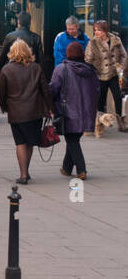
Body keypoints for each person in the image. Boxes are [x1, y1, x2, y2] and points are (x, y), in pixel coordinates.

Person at [0, 40, 53, 184]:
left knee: (20, 142)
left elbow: (0, 92)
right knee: (30, 142)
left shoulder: (6, 70)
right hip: (34, 111)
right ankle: (26, 172)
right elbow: (45, 89)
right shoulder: (36, 68)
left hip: (16, 112)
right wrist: (50, 108)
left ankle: (22, 175)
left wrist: (5, 107)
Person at [50, 41, 100, 180]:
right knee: (73, 138)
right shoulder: (90, 71)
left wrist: (51, 104)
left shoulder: (61, 69)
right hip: (86, 111)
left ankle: (81, 169)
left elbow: (53, 89)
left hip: (68, 111)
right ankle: (66, 168)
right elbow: (97, 90)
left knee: (72, 140)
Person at [87, 20, 127, 130]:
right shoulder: (92, 42)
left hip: (114, 74)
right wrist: (94, 70)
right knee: (100, 100)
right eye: (95, 30)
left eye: (99, 30)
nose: (96, 32)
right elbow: (88, 59)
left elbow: (124, 56)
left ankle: (121, 123)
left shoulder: (116, 40)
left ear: (105, 30)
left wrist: (120, 67)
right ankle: (100, 123)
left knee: (118, 97)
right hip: (100, 76)